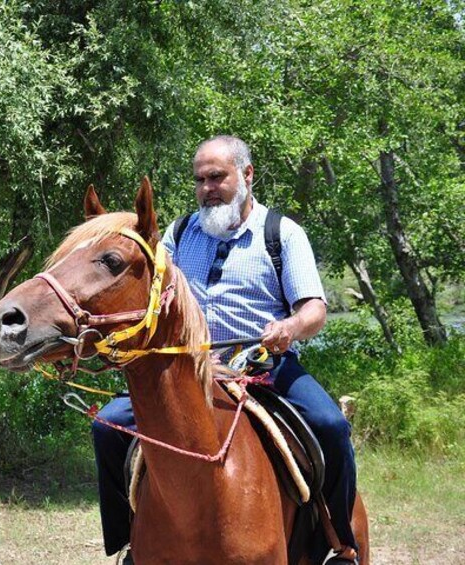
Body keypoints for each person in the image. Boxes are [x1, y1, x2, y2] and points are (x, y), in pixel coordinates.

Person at [91, 135, 358, 564]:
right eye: (200, 180)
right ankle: (128, 542)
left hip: (265, 367)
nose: (207, 188)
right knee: (107, 427)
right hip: (190, 371)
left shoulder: (281, 234)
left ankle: (339, 543)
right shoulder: (179, 234)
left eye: (217, 177)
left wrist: (288, 327)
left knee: (330, 426)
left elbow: (314, 309)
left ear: (247, 176)